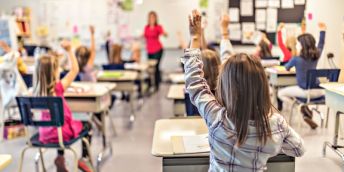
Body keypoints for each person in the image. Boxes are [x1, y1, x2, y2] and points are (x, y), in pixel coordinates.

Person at [183, 10, 304, 171]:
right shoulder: (275, 123)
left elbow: (195, 84)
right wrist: (271, 144)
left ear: (226, 85)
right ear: (261, 85)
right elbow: (298, 149)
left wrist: (195, 38)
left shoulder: (217, 118)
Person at [32, 40, 93, 172]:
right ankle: (83, 159)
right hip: (62, 134)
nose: (59, 70)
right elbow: (75, 70)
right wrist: (70, 50)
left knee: (57, 126)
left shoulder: (35, 93)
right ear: (54, 73)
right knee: (87, 124)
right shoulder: (58, 88)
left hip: (44, 135)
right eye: (57, 68)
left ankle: (60, 158)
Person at [278, 22, 327, 129]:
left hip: (305, 92)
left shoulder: (296, 59)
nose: (297, 44)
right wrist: (323, 31)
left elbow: (286, 68)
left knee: (280, 93)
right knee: (298, 93)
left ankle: (300, 108)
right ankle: (304, 110)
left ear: (302, 45)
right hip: (320, 92)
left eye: (298, 43)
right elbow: (321, 44)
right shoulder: (316, 56)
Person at [143, 11, 168, 90]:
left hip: (158, 49)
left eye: (153, 17)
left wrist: (165, 33)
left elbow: (164, 34)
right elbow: (144, 37)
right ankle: (150, 84)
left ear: (155, 18)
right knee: (149, 68)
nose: (152, 19)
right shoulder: (146, 27)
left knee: (156, 67)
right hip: (149, 50)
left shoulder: (158, 27)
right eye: (150, 17)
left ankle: (157, 85)